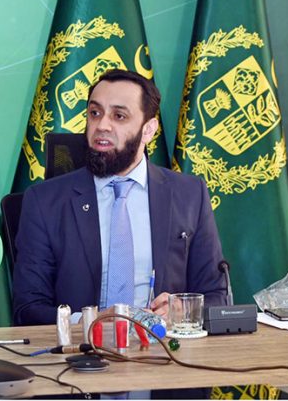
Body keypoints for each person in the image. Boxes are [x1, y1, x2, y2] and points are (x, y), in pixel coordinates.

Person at [13, 69, 227, 326]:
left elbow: (218, 297)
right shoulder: (44, 201)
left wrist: (183, 310)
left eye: (119, 116)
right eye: (95, 113)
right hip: (80, 356)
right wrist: (89, 321)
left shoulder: (189, 195)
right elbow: (28, 308)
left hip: (165, 351)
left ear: (148, 130)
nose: (102, 125)